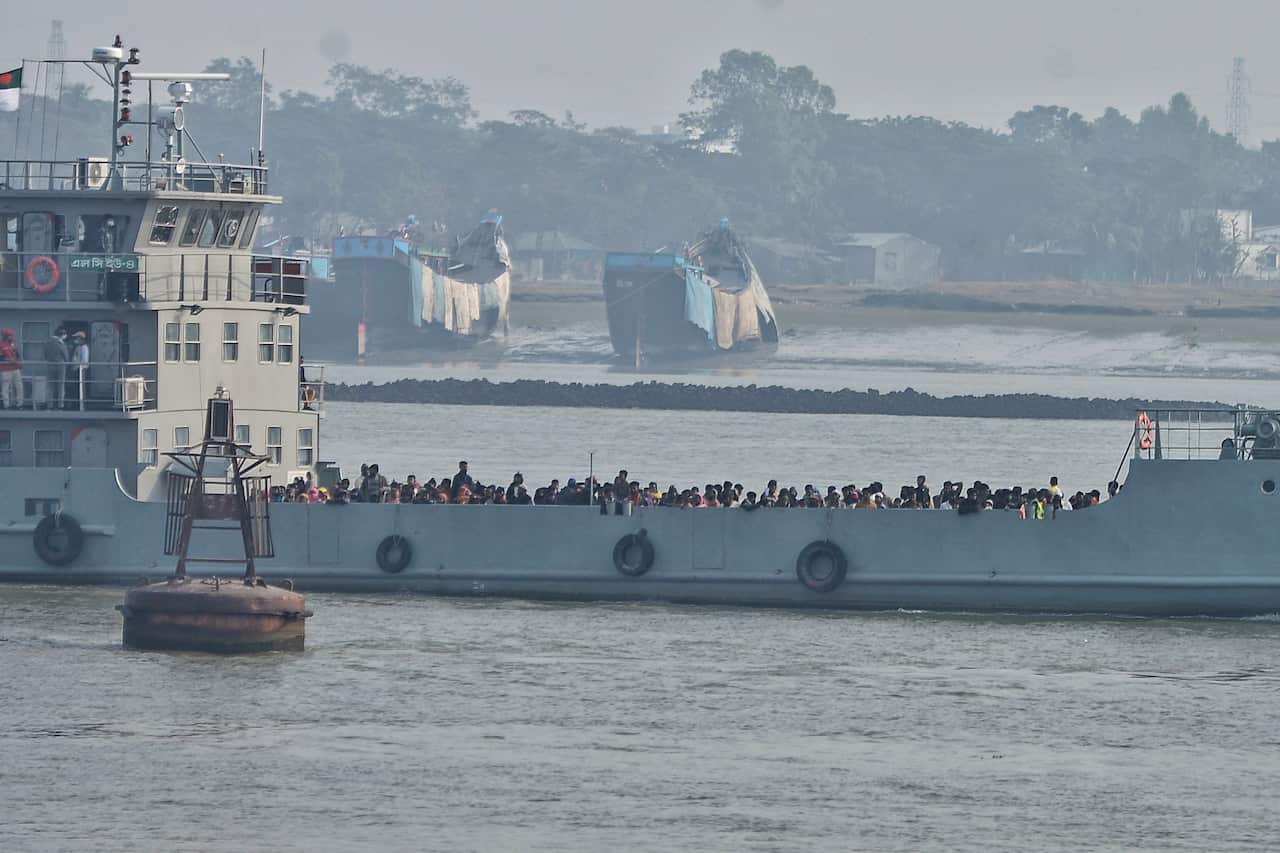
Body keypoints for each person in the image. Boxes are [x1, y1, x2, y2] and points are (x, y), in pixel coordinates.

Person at [38, 327, 68, 410]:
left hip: (49, 365)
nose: (65, 336)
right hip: (60, 366)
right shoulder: (60, 343)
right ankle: (60, 405)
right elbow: (66, 356)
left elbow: (44, 354)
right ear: (61, 335)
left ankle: (49, 405)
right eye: (65, 335)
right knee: (61, 386)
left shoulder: (47, 342)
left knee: (50, 386)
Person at [0, 328, 22, 410]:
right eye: (10, 335)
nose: (12, 337)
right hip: (6, 369)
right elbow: (0, 357)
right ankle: (6, 405)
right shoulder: (0, 344)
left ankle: (19, 404)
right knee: (5, 387)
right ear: (5, 336)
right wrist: (8, 360)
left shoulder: (13, 344)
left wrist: (20, 362)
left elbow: (17, 354)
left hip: (16, 368)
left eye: (12, 335)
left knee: (19, 386)